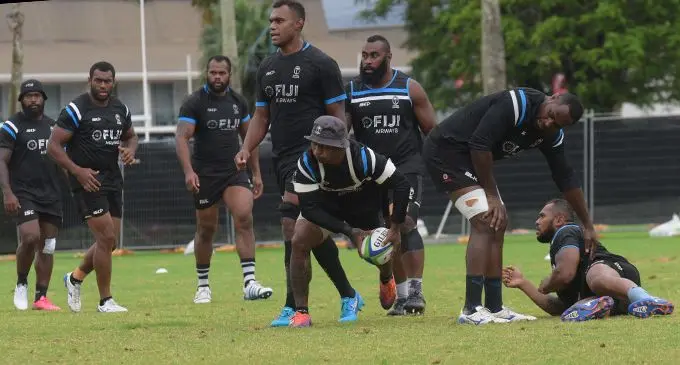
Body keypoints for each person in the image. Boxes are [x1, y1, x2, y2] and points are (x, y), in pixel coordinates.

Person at [421, 87, 592, 324]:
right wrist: (491, 196)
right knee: (484, 219)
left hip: (471, 159)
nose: (547, 123)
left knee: (498, 223)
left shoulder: (552, 133)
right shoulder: (516, 104)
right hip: (446, 151)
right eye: (550, 114)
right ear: (552, 98)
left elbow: (565, 177)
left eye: (556, 123)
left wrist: (587, 224)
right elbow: (479, 143)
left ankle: (494, 307)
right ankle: (471, 309)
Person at [234, 0, 357, 327]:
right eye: (270, 20)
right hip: (282, 157)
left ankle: (294, 307)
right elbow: (262, 116)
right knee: (306, 231)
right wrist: (246, 148)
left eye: (279, 20)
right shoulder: (267, 67)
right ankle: (347, 294)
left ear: (299, 23)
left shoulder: (321, 64)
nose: (272, 26)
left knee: (291, 225)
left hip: (314, 158)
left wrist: (336, 157)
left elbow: (338, 117)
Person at [288, 115, 412, 327]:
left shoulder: (364, 158)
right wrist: (349, 231)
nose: (317, 151)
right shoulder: (306, 163)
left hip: (363, 206)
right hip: (326, 208)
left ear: (340, 147)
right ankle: (302, 312)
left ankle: (386, 277)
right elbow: (309, 209)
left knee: (376, 251)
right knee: (299, 240)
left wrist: (394, 227)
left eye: (324, 146)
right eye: (314, 143)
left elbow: (401, 184)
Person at [346, 35, 437, 315]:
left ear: (388, 57)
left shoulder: (409, 87)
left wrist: (439, 166)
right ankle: (401, 295)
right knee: (386, 230)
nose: (367, 61)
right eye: (364, 55)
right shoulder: (353, 91)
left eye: (374, 55)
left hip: (406, 168)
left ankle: (417, 293)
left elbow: (432, 132)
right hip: (372, 172)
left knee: (405, 224)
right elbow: (340, 134)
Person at [175, 55, 273, 303]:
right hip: (204, 174)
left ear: (230, 75)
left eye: (222, 73)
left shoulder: (238, 102)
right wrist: (189, 172)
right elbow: (181, 138)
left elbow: (249, 139)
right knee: (206, 229)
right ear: (206, 73)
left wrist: (256, 174)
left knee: (244, 217)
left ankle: (250, 283)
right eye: (213, 72)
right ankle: (203, 285)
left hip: (233, 172)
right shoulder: (194, 102)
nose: (217, 77)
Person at [47, 61, 138, 313]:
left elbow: (131, 136)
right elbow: (53, 146)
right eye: (98, 80)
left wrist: (130, 150)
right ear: (90, 80)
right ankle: (105, 301)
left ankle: (74, 278)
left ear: (113, 82)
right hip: (87, 181)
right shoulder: (77, 108)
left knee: (110, 243)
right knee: (106, 237)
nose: (103, 85)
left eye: (107, 81)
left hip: (112, 179)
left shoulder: (121, 108)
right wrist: (78, 171)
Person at [502, 199, 674, 321]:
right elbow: (558, 307)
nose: (536, 221)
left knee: (596, 278)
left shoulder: (566, 231)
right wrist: (523, 283)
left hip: (611, 269)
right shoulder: (560, 254)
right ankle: (600, 306)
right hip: (616, 298)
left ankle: (646, 299)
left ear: (560, 220)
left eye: (542, 216)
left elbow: (565, 274)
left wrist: (548, 283)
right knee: (574, 306)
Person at [0, 79, 62, 311]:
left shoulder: (54, 127)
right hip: (23, 191)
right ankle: (21, 282)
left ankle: (41, 297)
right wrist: (8, 192)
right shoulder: (12, 126)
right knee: (30, 237)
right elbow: (1, 161)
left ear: (44, 99)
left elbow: (64, 162)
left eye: (37, 95)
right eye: (28, 96)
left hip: (51, 193)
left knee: (48, 245)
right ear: (21, 100)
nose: (33, 99)